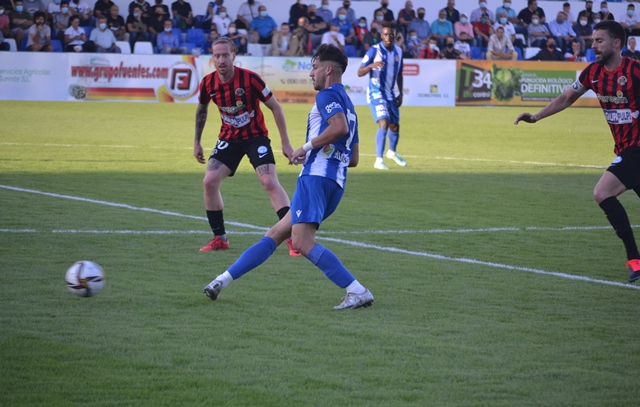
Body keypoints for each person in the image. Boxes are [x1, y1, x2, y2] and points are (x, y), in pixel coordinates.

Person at [203, 43, 374, 310]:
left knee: (302, 241)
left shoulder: (326, 96)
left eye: (314, 68)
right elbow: (353, 159)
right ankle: (220, 281)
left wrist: (305, 148)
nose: (311, 74)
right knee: (276, 233)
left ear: (328, 70)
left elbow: (337, 128)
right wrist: (325, 151)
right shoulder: (350, 105)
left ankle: (356, 289)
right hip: (335, 183)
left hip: (315, 179)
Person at [515, 20, 640, 284]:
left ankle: (634, 259)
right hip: (625, 148)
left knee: (602, 192)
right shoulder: (592, 73)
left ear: (617, 43)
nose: (593, 45)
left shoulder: (635, 71)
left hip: (637, 149)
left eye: (599, 40)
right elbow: (566, 98)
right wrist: (537, 117)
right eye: (593, 40)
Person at [194, 37, 299, 256]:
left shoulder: (251, 80)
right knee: (209, 181)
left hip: (255, 137)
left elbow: (276, 108)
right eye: (217, 55)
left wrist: (286, 143)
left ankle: (293, 239)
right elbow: (202, 110)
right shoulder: (208, 83)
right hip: (229, 138)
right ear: (212, 57)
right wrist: (197, 141)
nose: (221, 60)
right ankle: (220, 239)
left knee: (269, 181)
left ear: (234, 55)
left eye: (225, 55)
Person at [358, 21, 406, 171]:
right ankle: (379, 160)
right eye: (385, 34)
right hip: (376, 92)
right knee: (383, 122)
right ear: (381, 35)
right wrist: (371, 66)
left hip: (391, 94)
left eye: (391, 34)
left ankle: (392, 152)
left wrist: (401, 93)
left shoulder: (398, 51)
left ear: (395, 35)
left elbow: (399, 74)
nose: (388, 37)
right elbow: (359, 72)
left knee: (394, 125)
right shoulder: (374, 51)